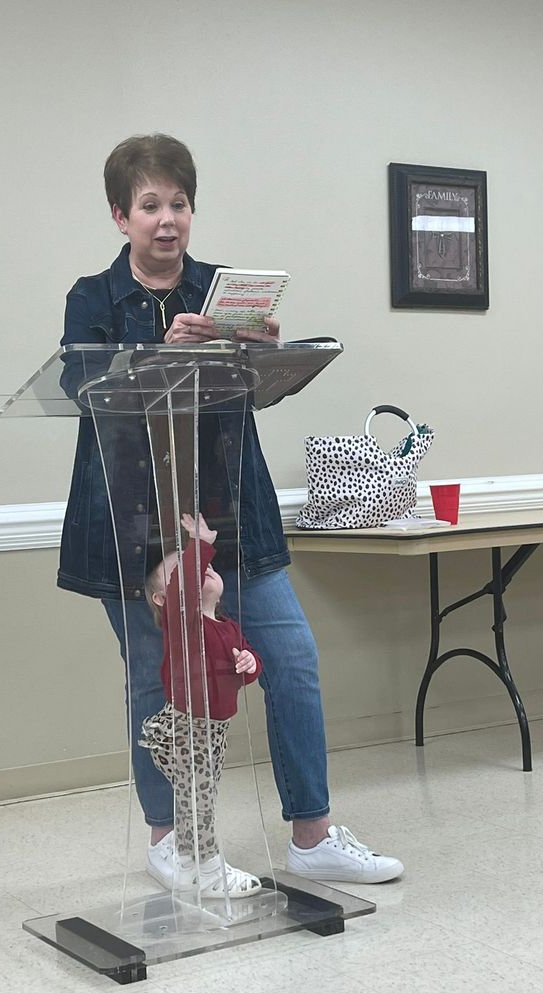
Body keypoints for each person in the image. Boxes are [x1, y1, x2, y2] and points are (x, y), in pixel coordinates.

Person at [58, 132, 404, 887]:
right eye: (150, 205)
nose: (167, 219)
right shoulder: (91, 298)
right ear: (120, 216)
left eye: (179, 203)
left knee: (292, 658)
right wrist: (161, 350)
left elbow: (250, 393)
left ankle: (312, 835)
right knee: (157, 680)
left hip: (229, 514)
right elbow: (81, 388)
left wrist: (258, 356)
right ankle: (171, 842)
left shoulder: (220, 289)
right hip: (132, 521)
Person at [140, 512, 262, 898]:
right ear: (163, 599)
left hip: (215, 730)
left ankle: (190, 862)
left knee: (196, 798)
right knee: (200, 800)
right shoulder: (183, 624)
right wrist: (200, 545)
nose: (200, 567)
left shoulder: (227, 627)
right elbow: (184, 591)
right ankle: (208, 870)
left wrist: (250, 664)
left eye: (206, 564)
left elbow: (244, 671)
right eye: (183, 568)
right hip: (188, 728)